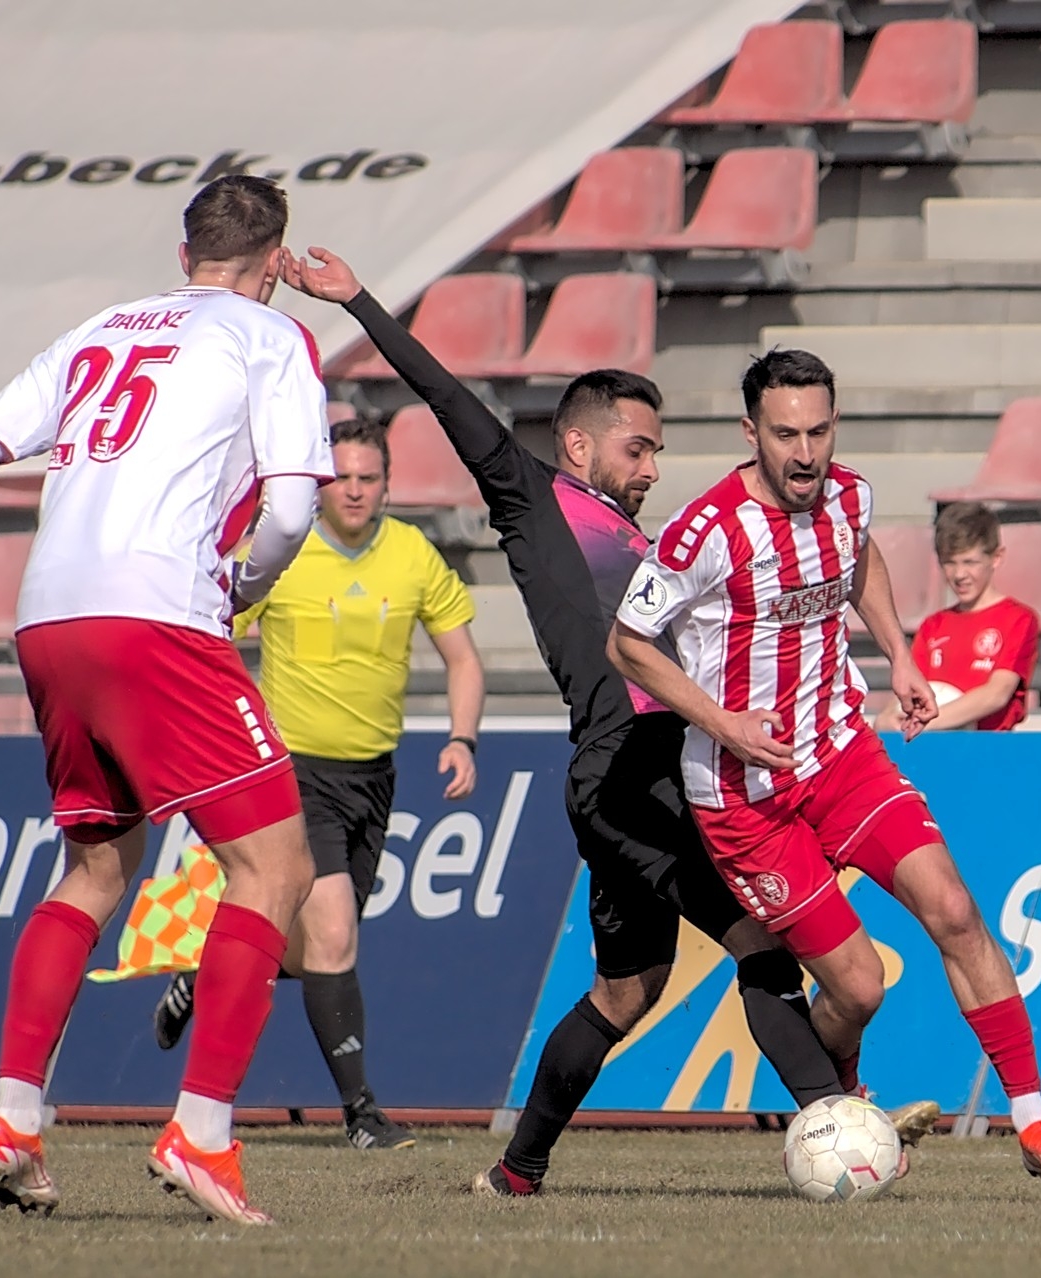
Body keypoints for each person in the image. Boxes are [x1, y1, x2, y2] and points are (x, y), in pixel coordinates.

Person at [277, 248, 939, 1198]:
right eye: (639, 449)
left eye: (659, 452)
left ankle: (516, 1173)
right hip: (629, 773)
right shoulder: (533, 498)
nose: (652, 468)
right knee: (760, 943)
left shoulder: (644, 540)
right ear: (580, 448)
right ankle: (841, 1121)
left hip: (641, 772)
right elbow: (449, 397)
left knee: (626, 992)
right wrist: (360, 302)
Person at [0, 175, 334, 1227]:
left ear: (185, 252)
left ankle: (14, 1119)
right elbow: (290, 511)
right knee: (275, 867)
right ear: (274, 264)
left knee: (98, 865)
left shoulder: (100, 328)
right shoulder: (268, 336)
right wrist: (239, 589)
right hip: (158, 613)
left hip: (49, 616)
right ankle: (204, 1133)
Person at [607, 348, 1041, 1188]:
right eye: (785, 434)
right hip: (744, 797)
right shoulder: (704, 530)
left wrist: (900, 655)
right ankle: (842, 1105)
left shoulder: (848, 496)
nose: (805, 454)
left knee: (954, 908)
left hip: (840, 755)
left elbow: (857, 557)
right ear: (751, 432)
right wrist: (724, 724)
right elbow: (627, 644)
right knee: (860, 989)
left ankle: (1033, 1119)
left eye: (819, 432)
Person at [150, 411, 485, 1153]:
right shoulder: (281, 552)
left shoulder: (413, 554)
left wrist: (462, 739)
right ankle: (362, 1115)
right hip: (293, 772)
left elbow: (463, 657)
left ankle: (206, 973)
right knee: (333, 938)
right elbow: (211, 633)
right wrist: (225, 728)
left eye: (370, 478)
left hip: (374, 776)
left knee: (317, 950)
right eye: (343, 479)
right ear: (320, 485)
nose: (356, 491)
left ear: (388, 484)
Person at [879, 501, 1040, 733]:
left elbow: (997, 694)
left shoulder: (1018, 619)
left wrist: (929, 722)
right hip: (933, 744)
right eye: (950, 563)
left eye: (970, 562)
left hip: (988, 745)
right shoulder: (933, 626)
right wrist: (886, 719)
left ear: (996, 557)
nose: (959, 574)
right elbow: (908, 690)